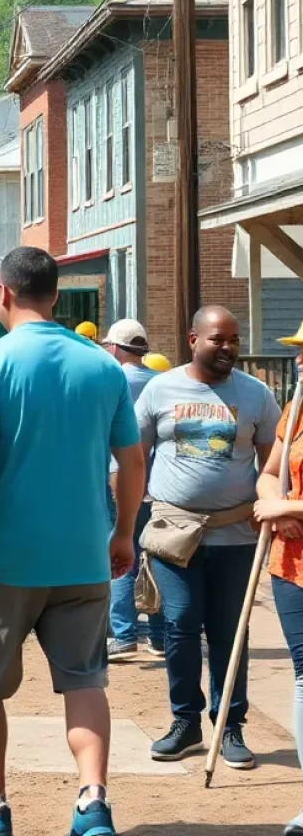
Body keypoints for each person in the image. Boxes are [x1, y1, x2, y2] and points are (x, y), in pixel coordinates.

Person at [0, 246, 144, 836]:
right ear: (55, 296)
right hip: (83, 554)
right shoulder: (103, 367)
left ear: (3, 294)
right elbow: (132, 460)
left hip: (4, 559)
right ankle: (92, 802)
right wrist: (124, 532)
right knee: (85, 679)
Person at [138, 305, 279, 769]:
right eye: (218, 339)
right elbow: (135, 455)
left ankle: (228, 725)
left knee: (228, 632)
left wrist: (271, 509)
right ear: (192, 339)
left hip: (235, 534)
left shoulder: (256, 395)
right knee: (179, 625)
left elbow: (271, 466)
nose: (228, 348)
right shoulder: (160, 388)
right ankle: (186, 723)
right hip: (174, 534)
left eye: (234, 340)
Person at [254, 323, 303, 836]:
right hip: (292, 567)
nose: (301, 361)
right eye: (298, 352)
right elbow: (269, 469)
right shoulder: (295, 412)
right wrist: (275, 503)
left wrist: (285, 504)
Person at [99, 319, 165, 661]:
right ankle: (158, 635)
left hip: (120, 479)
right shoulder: (160, 383)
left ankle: (123, 633)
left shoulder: (110, 380)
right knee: (153, 556)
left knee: (119, 554)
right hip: (159, 485)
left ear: (114, 348)